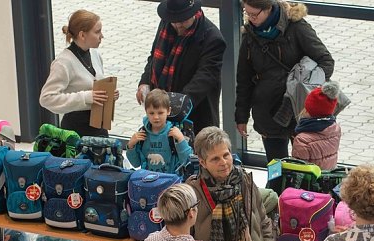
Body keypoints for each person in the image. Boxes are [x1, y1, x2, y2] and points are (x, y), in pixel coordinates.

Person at [40, 9, 119, 241]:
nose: (102, 36)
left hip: (98, 128)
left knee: (106, 181)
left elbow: (95, 87)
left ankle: (107, 235)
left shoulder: (94, 53)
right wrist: (86, 97)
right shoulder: (62, 62)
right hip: (76, 132)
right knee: (80, 187)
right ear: (82, 34)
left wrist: (107, 96)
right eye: (97, 31)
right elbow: (48, 99)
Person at [236, 0, 334, 163]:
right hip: (269, 113)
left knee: (305, 171)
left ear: (268, 9)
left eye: (254, 14)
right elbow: (244, 79)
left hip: (301, 112)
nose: (250, 19)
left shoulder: (296, 27)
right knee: (277, 172)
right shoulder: (249, 36)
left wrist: (305, 89)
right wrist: (241, 116)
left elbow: (326, 62)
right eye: (247, 13)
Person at [137, 0, 226, 135]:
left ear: (194, 13)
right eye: (174, 20)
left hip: (194, 115)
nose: (178, 25)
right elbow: (154, 56)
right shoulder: (168, 23)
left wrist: (174, 104)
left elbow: (204, 78)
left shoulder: (213, 38)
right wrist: (144, 81)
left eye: (182, 20)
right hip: (163, 112)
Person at [126, 89, 193, 173]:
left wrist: (181, 140)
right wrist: (131, 145)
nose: (156, 117)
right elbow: (136, 163)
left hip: (170, 180)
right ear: (146, 112)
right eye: (151, 113)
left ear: (168, 111)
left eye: (160, 113)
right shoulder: (142, 133)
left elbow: (187, 160)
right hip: (147, 179)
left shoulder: (174, 133)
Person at [291, 81, 342, 170]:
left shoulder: (302, 140)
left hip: (310, 183)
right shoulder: (335, 129)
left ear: (308, 110)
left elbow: (298, 172)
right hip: (327, 180)